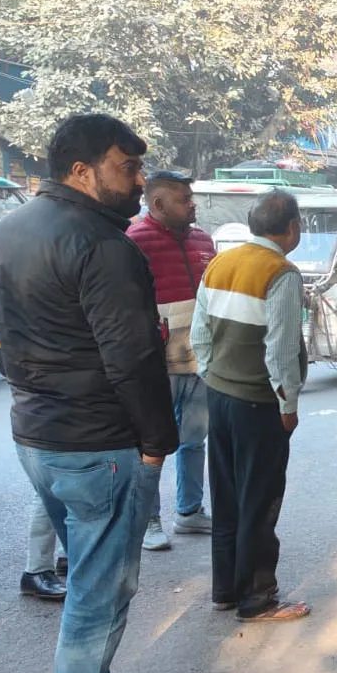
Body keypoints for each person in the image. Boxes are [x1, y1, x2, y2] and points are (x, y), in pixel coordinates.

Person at [0, 113, 176, 673]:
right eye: (128, 167)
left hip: (37, 435)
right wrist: (157, 441)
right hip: (96, 442)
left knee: (91, 577)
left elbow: (10, 340)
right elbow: (133, 358)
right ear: (81, 170)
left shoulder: (10, 228)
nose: (139, 181)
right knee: (100, 591)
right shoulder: (103, 245)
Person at [191, 191, 310, 623]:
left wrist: (214, 376)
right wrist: (287, 403)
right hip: (259, 403)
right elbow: (280, 350)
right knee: (259, 500)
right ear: (292, 227)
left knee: (226, 495)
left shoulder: (221, 262)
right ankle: (257, 597)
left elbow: (200, 334)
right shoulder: (281, 273)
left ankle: (225, 589)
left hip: (220, 396)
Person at [126, 170, 217, 551]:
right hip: (157, 363)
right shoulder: (134, 242)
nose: (192, 205)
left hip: (200, 359)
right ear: (158, 204)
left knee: (194, 440)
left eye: (191, 197)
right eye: (184, 199)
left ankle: (190, 511)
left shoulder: (203, 239)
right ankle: (149, 521)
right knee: (152, 445)